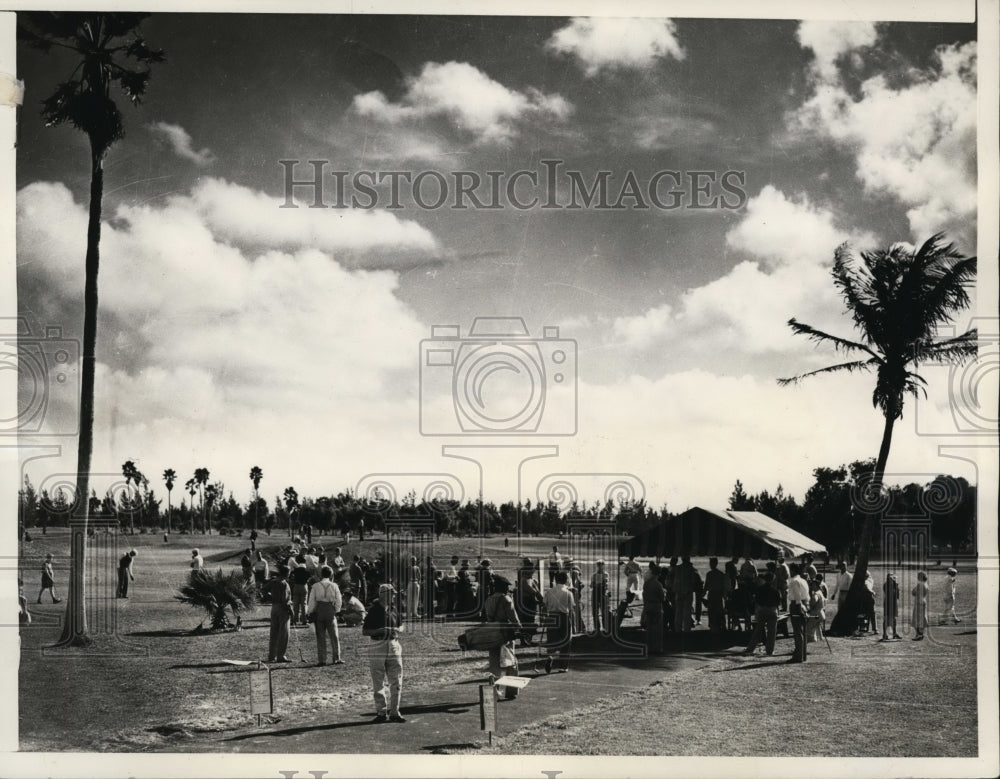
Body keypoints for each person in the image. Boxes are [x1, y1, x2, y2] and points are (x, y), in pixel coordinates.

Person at [363, 584, 405, 723]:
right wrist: (381, 630)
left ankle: (394, 711)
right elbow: (366, 631)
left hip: (393, 644)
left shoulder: (394, 609)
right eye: (391, 593)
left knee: (396, 679)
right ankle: (381, 712)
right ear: (384, 594)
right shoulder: (374, 610)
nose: (393, 596)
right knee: (378, 679)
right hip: (377, 644)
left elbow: (401, 624)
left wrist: (397, 629)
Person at [484, 576, 522, 697]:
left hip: (492, 631)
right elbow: (513, 618)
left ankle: (494, 690)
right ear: (503, 587)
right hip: (505, 633)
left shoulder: (489, 599)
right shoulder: (507, 599)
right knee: (511, 663)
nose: (507, 589)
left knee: (495, 663)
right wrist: (519, 629)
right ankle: (511, 692)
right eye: (506, 586)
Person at [307, 565, 343, 665]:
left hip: (319, 610)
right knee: (334, 635)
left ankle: (322, 660)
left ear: (321, 574)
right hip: (330, 609)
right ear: (331, 574)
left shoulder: (315, 586)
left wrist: (310, 612)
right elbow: (339, 600)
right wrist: (335, 610)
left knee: (320, 636)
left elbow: (311, 601)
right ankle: (336, 658)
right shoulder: (334, 585)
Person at [542, 570, 575, 671]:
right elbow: (571, 609)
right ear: (566, 580)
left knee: (552, 639)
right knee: (565, 641)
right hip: (563, 616)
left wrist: (544, 618)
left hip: (552, 616)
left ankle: (550, 656)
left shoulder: (549, 591)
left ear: (556, 580)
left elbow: (544, 606)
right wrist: (573, 624)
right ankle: (563, 666)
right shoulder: (568, 592)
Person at [743, 571, 781, 656]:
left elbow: (757, 601)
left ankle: (751, 648)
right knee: (772, 632)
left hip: (762, 610)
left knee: (758, 631)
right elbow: (778, 603)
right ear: (772, 580)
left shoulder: (760, 589)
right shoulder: (775, 590)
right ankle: (770, 650)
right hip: (772, 610)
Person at [267, 567, 293, 663]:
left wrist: (271, 598)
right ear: (287, 573)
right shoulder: (285, 584)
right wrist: (291, 610)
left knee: (274, 632)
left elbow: (263, 590)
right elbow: (285, 601)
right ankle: (280, 656)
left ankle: (271, 655)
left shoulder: (273, 581)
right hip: (283, 609)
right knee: (284, 633)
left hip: (274, 608)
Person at [641, 563, 666, 654]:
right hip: (656, 606)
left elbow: (644, 595)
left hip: (648, 606)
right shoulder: (658, 584)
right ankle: (657, 648)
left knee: (649, 629)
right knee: (657, 629)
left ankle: (648, 647)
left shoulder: (646, 583)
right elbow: (662, 598)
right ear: (658, 574)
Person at [787, 564, 809, 662]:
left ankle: (798, 656)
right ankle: (802, 655)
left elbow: (797, 596)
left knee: (797, 632)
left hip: (797, 605)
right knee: (802, 631)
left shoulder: (795, 581)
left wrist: (799, 608)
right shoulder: (803, 580)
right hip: (804, 604)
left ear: (793, 571)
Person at [703, 557, 729, 633]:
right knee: (719, 611)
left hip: (711, 594)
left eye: (711, 563)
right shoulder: (721, 574)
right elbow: (723, 587)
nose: (710, 565)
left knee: (711, 611)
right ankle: (722, 625)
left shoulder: (709, 574)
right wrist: (724, 597)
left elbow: (706, 586)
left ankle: (712, 626)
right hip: (718, 594)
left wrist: (702, 595)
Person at [289, 555, 311, 625]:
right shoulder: (307, 570)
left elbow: (291, 576)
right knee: (304, 604)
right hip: (304, 586)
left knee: (296, 604)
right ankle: (304, 620)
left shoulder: (296, 570)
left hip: (296, 586)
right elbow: (309, 578)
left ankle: (295, 619)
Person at [806, 578, 826, 643]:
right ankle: (819, 639)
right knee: (816, 626)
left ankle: (810, 641)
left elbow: (814, 600)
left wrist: (810, 606)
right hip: (821, 613)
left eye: (813, 585)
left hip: (816, 613)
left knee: (808, 627)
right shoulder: (820, 592)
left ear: (817, 586)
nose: (812, 586)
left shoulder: (816, 594)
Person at [882, 572, 901, 640]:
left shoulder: (894, 585)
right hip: (888, 603)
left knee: (894, 619)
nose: (894, 579)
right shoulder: (887, 585)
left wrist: (896, 585)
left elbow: (897, 596)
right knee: (887, 618)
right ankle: (885, 634)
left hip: (893, 604)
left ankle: (894, 633)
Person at [912, 571, 929, 640]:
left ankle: (918, 634)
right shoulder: (926, 584)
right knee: (922, 618)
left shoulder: (919, 585)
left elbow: (913, 592)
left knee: (917, 618)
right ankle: (921, 633)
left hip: (918, 602)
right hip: (923, 601)